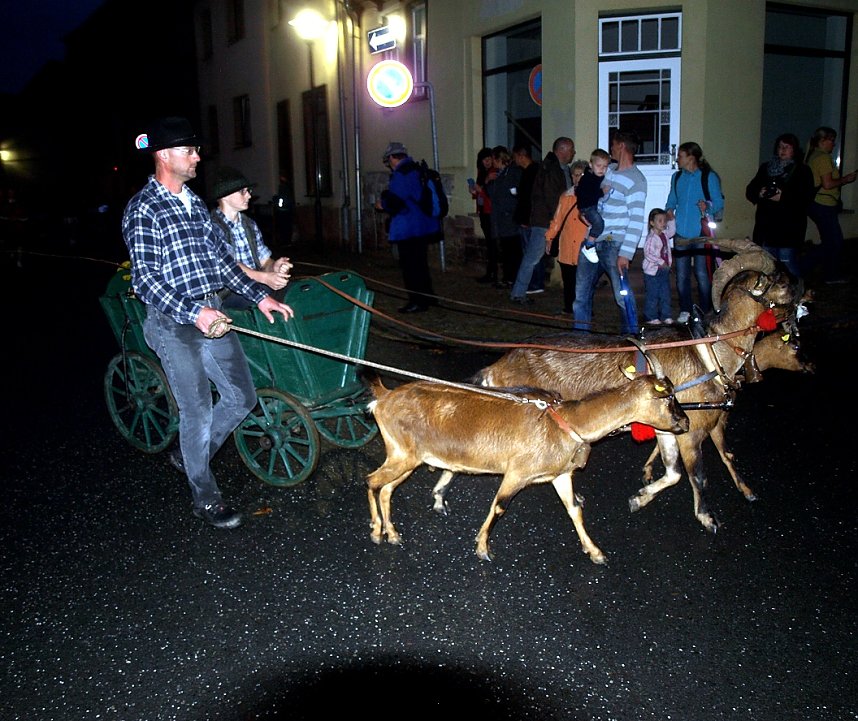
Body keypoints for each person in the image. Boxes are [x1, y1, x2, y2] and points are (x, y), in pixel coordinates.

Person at [122, 116, 295, 529]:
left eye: (196, 149)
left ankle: (190, 457)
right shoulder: (144, 209)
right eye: (189, 150)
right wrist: (195, 312)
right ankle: (206, 497)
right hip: (173, 323)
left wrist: (260, 296)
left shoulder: (195, 204)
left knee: (241, 397)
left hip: (213, 313)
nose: (197, 157)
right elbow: (145, 280)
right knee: (197, 409)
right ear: (164, 156)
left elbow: (222, 263)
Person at [572, 129, 647, 334]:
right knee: (581, 296)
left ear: (621, 146)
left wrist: (626, 254)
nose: (610, 148)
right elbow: (590, 196)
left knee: (622, 296)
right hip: (592, 241)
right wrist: (583, 212)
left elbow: (636, 219)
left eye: (613, 144)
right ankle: (579, 340)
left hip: (614, 245)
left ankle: (632, 338)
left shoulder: (636, 180)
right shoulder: (608, 170)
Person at [210, 166, 293, 309]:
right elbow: (230, 266)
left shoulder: (249, 224)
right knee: (267, 295)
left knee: (294, 292)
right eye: (243, 191)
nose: (249, 195)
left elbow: (264, 260)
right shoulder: (212, 226)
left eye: (248, 191)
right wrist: (266, 278)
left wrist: (275, 267)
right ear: (225, 196)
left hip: (256, 285)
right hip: (228, 292)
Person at [375, 141, 440, 313]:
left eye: (388, 160)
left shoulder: (401, 174)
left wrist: (382, 204)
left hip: (409, 227)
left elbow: (396, 202)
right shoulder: (416, 169)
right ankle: (428, 296)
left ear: (392, 158)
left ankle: (417, 301)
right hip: (423, 224)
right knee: (421, 263)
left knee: (410, 266)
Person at [510, 136, 575, 304]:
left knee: (534, 257)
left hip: (548, 220)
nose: (573, 153)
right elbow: (552, 198)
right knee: (532, 258)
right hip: (546, 222)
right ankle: (518, 293)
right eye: (571, 150)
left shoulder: (555, 168)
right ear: (562, 150)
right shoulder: (552, 169)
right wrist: (559, 220)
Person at [665, 141, 724, 323]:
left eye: (680, 156)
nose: (677, 159)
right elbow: (672, 200)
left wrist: (707, 207)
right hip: (681, 232)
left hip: (701, 232)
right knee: (682, 274)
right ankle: (685, 309)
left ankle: (706, 310)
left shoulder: (708, 177)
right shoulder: (677, 177)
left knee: (702, 273)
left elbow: (719, 203)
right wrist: (669, 211)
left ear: (691, 158)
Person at [745, 133, 815, 278]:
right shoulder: (766, 168)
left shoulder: (802, 170)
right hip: (767, 228)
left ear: (794, 150)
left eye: (786, 147)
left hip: (788, 229)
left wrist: (783, 197)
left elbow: (806, 197)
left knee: (788, 264)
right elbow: (750, 190)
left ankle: (797, 290)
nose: (782, 150)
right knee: (768, 267)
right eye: (780, 147)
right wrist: (760, 193)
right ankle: (774, 292)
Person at [804, 126, 857, 284]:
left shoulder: (813, 155)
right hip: (823, 204)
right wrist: (846, 179)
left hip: (818, 204)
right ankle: (811, 269)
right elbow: (827, 184)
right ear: (822, 141)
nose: (834, 144)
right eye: (832, 141)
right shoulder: (823, 158)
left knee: (831, 241)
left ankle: (810, 268)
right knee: (834, 242)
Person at [544, 161, 589, 316]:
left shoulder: (592, 196)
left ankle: (584, 309)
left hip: (584, 246)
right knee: (569, 280)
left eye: (580, 175)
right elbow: (557, 219)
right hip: (567, 245)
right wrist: (550, 237)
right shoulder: (566, 197)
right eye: (574, 175)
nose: (577, 178)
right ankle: (569, 307)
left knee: (584, 281)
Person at [487, 146, 523, 289]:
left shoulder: (512, 173)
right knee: (507, 250)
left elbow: (515, 194)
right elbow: (493, 194)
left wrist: (509, 209)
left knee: (512, 250)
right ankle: (508, 277)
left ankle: (512, 278)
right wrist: (489, 181)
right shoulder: (499, 174)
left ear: (498, 159)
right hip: (502, 218)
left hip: (509, 219)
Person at [511, 143, 538, 288]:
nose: (514, 160)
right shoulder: (527, 171)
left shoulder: (532, 172)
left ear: (521, 156)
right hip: (526, 217)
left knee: (530, 253)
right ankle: (532, 282)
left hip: (528, 219)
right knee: (529, 252)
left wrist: (526, 218)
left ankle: (534, 282)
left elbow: (530, 198)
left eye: (515, 156)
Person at [642, 208, 675, 325]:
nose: (663, 223)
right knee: (653, 294)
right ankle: (651, 316)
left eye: (664, 220)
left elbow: (672, 231)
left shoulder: (664, 234)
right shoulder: (651, 238)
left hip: (663, 271)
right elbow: (648, 253)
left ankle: (666, 315)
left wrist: (671, 220)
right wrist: (661, 262)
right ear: (652, 223)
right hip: (653, 272)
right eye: (660, 221)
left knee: (665, 294)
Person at [470, 147, 497, 282]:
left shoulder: (493, 173)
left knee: (492, 243)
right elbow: (479, 193)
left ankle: (493, 273)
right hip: (483, 211)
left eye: (488, 159)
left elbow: (490, 193)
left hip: (490, 211)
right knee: (489, 243)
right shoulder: (482, 173)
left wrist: (481, 188)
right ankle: (490, 272)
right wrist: (474, 190)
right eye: (484, 160)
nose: (486, 162)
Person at [576, 148, 612, 247]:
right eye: (598, 166)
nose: (602, 169)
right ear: (591, 165)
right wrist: (602, 192)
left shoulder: (597, 176)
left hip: (591, 206)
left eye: (605, 166)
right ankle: (590, 243)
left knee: (596, 222)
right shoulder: (588, 178)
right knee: (599, 223)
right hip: (587, 207)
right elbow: (588, 194)